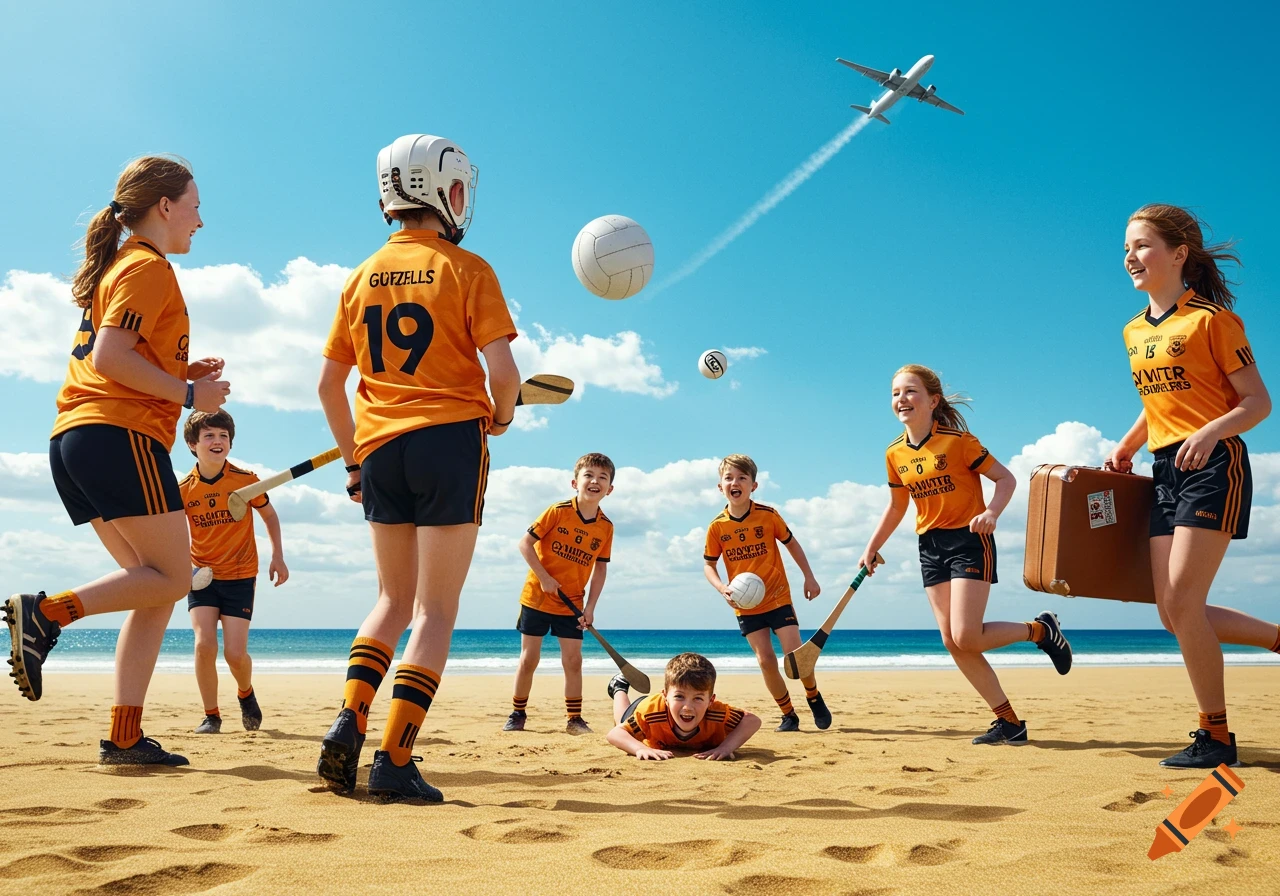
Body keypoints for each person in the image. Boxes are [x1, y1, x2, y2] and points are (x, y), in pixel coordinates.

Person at [4, 155, 230, 766]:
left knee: (151, 588)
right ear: (164, 206)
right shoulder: (145, 266)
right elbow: (109, 358)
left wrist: (183, 370)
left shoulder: (121, 266)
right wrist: (190, 397)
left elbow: (122, 356)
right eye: (196, 205)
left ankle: (125, 736)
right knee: (177, 577)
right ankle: (46, 613)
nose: (200, 221)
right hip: (116, 434)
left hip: (78, 438)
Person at [315, 134, 520, 801]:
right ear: (443, 190)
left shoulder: (359, 276)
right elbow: (505, 378)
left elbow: (327, 387)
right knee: (434, 611)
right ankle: (394, 760)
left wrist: (353, 461)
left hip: (378, 448)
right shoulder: (469, 269)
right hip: (449, 441)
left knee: (389, 600)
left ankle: (350, 718)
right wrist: (504, 414)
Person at [1105, 204, 1277, 769]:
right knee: (1172, 609)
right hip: (1162, 470)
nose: (1130, 256)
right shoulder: (1133, 330)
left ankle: (1217, 735)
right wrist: (1130, 442)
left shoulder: (1212, 320)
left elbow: (1257, 403)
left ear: (1179, 254)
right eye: (1126, 247)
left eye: (1142, 245)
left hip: (1214, 465)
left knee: (1182, 600)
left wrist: (1209, 432)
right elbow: (1157, 400)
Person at [858, 365, 1072, 746]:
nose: (901, 399)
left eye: (910, 391)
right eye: (895, 393)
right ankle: (1009, 723)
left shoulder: (959, 441)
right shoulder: (894, 453)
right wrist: (873, 545)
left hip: (969, 539)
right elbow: (896, 506)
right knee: (953, 642)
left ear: (933, 400)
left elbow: (1005, 478)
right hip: (930, 546)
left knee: (966, 635)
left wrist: (991, 512)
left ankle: (1040, 630)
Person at [179, 409, 288, 734]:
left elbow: (269, 516)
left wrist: (277, 557)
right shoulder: (183, 488)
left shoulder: (245, 480)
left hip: (240, 575)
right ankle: (211, 715)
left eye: (223, 436)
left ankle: (245, 693)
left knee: (235, 654)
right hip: (202, 577)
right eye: (209, 436)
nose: (217, 441)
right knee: (204, 646)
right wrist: (184, 568)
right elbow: (170, 533)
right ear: (192, 444)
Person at [703, 454, 830, 732]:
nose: (734, 483)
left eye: (741, 478)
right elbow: (709, 565)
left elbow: (792, 544)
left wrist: (809, 577)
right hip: (745, 605)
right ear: (719, 486)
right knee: (765, 660)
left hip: (777, 597)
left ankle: (813, 695)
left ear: (753, 486)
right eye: (729, 478)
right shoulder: (717, 526)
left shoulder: (768, 515)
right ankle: (789, 715)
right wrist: (721, 587)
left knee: (795, 655)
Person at [504, 453, 615, 735]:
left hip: (572, 603)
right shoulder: (558, 510)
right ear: (575, 482)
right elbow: (525, 545)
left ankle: (574, 719)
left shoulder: (606, 527)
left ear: (610, 489)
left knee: (574, 660)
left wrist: (590, 608)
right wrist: (544, 578)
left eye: (603, 477)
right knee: (529, 659)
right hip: (537, 597)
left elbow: (600, 570)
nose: (595, 481)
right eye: (589, 475)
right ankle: (518, 714)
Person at [605, 653, 761, 760]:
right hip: (644, 706)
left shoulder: (718, 713)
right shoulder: (649, 713)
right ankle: (619, 687)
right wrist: (640, 749)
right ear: (665, 696)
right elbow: (615, 734)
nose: (688, 707)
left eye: (698, 698)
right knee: (622, 721)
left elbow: (752, 720)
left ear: (711, 701)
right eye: (680, 696)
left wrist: (727, 747)